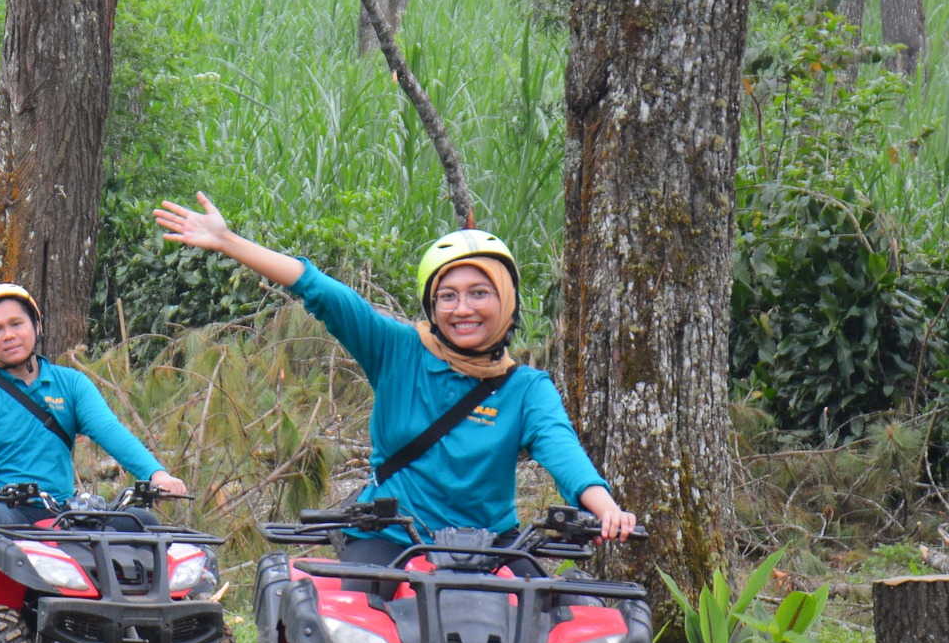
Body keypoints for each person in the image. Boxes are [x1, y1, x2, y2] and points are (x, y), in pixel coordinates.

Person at [152, 195, 634, 560]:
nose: (462, 308)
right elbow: (323, 291)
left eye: (479, 293)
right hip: (388, 538)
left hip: (493, 551)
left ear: (506, 301)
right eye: (447, 296)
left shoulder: (528, 389)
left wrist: (604, 506)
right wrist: (226, 241)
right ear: (431, 304)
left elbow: (563, 451)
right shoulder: (397, 349)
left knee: (554, 633)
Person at [0, 283, 188, 643]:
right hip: (0, 506)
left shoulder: (69, 384)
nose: (9, 336)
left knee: (140, 522)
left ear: (37, 326)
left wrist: (156, 474)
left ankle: (141, 628)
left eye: (17, 324)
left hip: (58, 509)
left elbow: (113, 433)